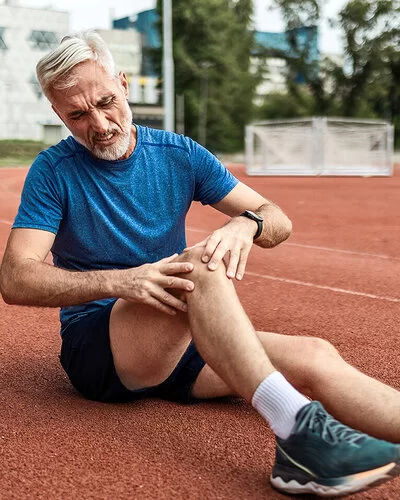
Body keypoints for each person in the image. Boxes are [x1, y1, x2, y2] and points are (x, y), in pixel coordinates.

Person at [0, 31, 399, 497]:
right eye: (77, 115)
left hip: (180, 335)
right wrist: (124, 282)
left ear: (124, 84)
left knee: (314, 353)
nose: (100, 123)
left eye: (106, 101)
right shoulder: (53, 171)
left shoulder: (179, 154)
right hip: (101, 349)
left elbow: (277, 219)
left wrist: (245, 224)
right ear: (57, 114)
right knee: (199, 269)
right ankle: (298, 435)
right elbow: (15, 278)